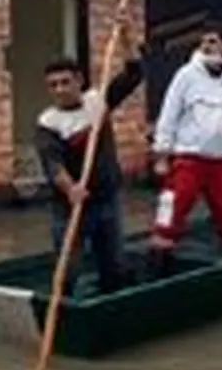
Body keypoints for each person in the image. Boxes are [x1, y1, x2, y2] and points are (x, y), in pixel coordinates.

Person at [36, 52, 145, 296]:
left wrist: (126, 32)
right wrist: (70, 188)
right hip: (70, 206)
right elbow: (53, 164)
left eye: (65, 82)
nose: (60, 90)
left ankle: (113, 302)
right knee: (68, 269)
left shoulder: (98, 102)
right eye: (53, 85)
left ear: (79, 81)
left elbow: (134, 74)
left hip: (107, 198)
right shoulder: (48, 123)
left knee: (114, 264)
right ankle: (63, 308)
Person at [150, 28, 222, 260]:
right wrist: (161, 154)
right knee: (173, 208)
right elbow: (169, 114)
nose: (207, 47)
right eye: (203, 43)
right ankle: (160, 256)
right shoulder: (186, 76)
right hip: (190, 159)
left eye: (213, 41)